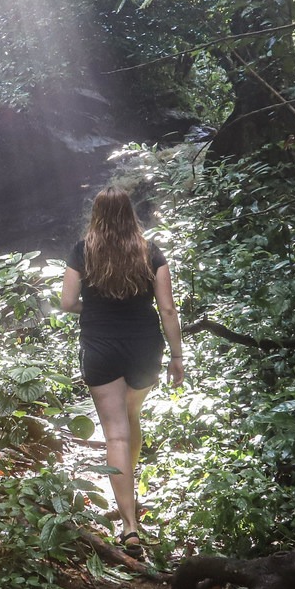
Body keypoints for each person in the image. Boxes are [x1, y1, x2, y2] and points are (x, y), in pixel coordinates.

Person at [60, 187, 186, 550]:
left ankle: (129, 525)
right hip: (144, 347)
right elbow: (168, 310)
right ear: (130, 214)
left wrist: (96, 311)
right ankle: (129, 494)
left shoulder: (82, 251)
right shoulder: (151, 252)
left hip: (100, 348)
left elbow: (67, 302)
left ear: (96, 215)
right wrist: (177, 356)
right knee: (132, 415)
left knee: (116, 433)